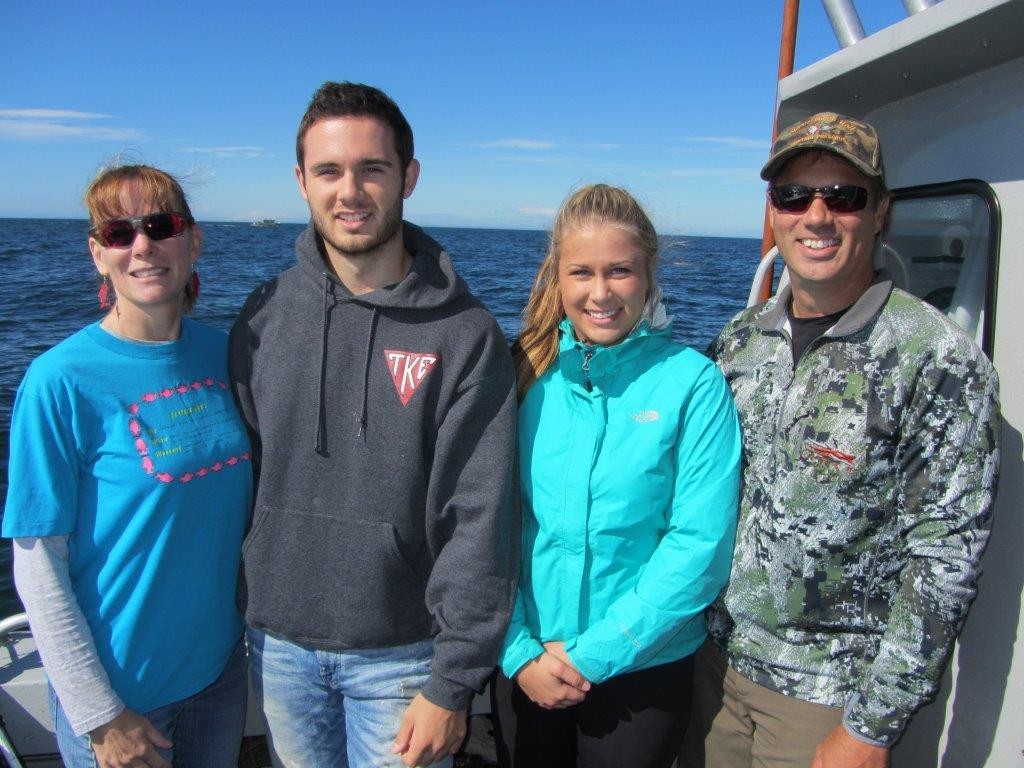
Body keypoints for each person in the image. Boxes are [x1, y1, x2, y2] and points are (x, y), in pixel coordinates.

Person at [683, 112, 1002, 768]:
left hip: (826, 702)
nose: (817, 215)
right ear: (774, 211)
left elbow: (943, 561)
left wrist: (871, 726)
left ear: (880, 212)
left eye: (844, 196)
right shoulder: (739, 340)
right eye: (795, 196)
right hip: (712, 669)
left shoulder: (934, 357)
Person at [228, 81, 518, 768]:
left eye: (372, 169)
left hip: (404, 659)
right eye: (329, 171)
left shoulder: (464, 335)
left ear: (408, 177)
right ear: (301, 181)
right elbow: (244, 473)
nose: (349, 191)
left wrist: (452, 684)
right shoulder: (263, 316)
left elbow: (480, 517)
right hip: (278, 649)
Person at [3, 165, 252, 768]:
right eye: (119, 233)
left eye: (160, 225)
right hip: (123, 703)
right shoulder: (59, 380)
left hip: (218, 680)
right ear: (98, 253)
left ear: (192, 240)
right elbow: (38, 563)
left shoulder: (230, 356)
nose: (142, 245)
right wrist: (99, 715)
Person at [492, 184, 742, 768]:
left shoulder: (693, 384)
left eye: (620, 271)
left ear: (649, 274)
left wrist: (591, 656)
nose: (599, 292)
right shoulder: (525, 374)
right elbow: (488, 523)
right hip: (528, 665)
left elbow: (699, 546)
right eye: (581, 272)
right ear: (558, 277)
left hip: (641, 670)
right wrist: (518, 650)